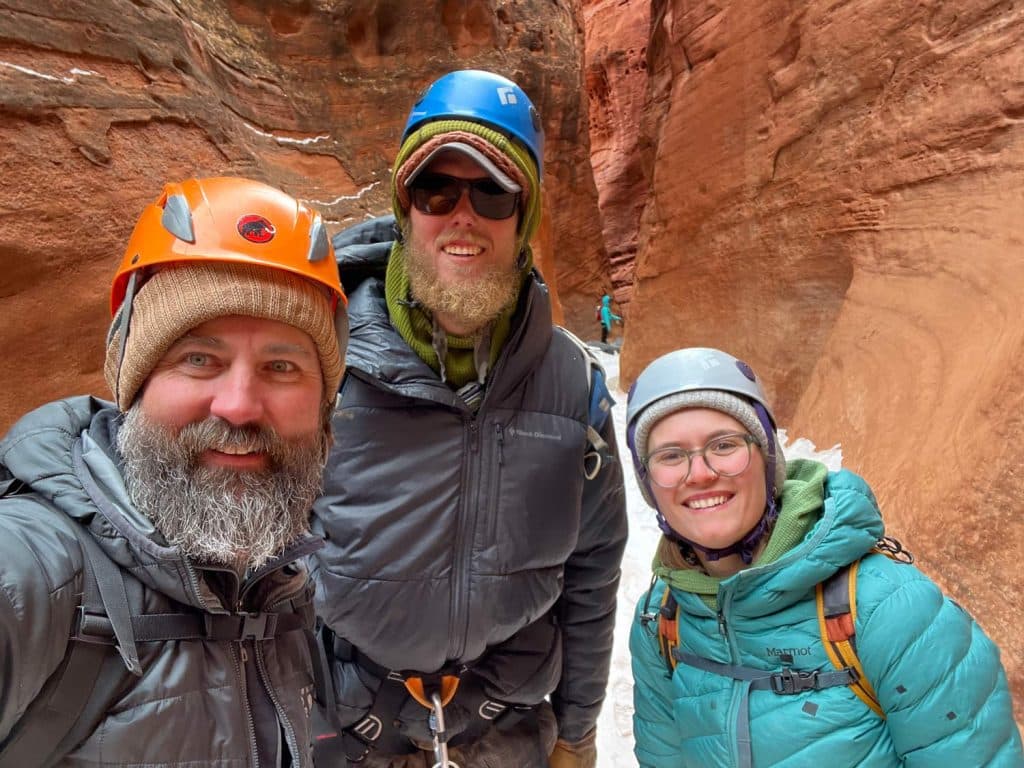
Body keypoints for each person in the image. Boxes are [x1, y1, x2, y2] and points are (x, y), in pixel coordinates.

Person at [310, 69, 628, 768]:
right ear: (405, 206)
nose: (463, 214)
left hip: (506, 727)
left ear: (525, 215)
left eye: (492, 192)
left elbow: (592, 574)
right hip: (351, 726)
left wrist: (576, 731)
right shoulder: (320, 358)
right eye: (436, 190)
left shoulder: (573, 385)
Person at [0, 177, 348, 767]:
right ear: (133, 383)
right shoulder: (37, 570)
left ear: (324, 407)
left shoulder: (277, 578)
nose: (238, 405)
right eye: (198, 359)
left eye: (282, 366)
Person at [625, 347, 1023, 767]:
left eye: (724, 446)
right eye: (670, 456)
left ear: (767, 460)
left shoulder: (889, 610)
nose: (701, 473)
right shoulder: (663, 621)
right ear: (649, 483)